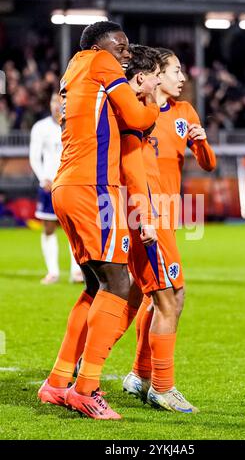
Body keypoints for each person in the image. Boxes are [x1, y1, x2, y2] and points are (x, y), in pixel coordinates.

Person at [37, 21, 159, 420]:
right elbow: (138, 118)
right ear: (99, 46)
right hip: (93, 186)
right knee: (119, 283)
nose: (125, 53)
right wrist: (152, 98)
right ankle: (86, 388)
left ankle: (57, 382)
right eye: (119, 46)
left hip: (68, 184)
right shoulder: (101, 64)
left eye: (126, 48)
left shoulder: (75, 67)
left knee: (95, 285)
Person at [122, 48, 216, 410]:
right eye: (176, 70)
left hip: (168, 217)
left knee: (151, 296)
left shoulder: (184, 114)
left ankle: (138, 375)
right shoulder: (137, 114)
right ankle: (161, 385)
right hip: (145, 217)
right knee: (171, 297)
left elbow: (208, 164)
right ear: (157, 74)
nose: (182, 78)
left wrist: (202, 140)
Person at [29, 93, 83, 284]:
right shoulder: (40, 128)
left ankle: (76, 271)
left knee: (74, 229)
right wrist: (43, 178)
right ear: (50, 104)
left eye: (61, 101)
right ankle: (53, 272)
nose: (57, 105)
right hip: (49, 184)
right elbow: (34, 156)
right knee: (49, 227)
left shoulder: (76, 124)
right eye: (54, 101)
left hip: (71, 185)